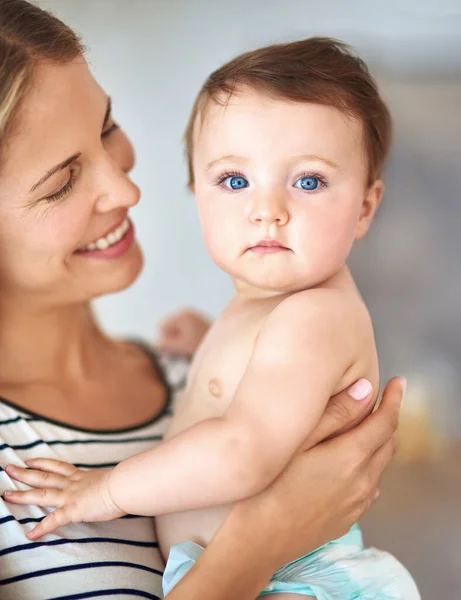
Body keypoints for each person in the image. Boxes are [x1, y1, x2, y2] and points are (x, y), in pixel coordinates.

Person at [0, 2, 403, 598]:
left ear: (366, 205)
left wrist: (105, 488)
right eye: (61, 181)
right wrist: (262, 540)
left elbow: (243, 447)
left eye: (107, 127)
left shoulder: (299, 322)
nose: (128, 188)